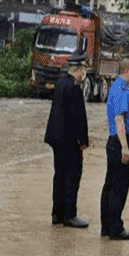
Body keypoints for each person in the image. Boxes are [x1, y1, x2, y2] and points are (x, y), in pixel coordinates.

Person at [44, 51, 91, 228]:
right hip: (69, 141)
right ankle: (70, 215)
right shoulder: (74, 88)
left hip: (56, 140)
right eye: (84, 69)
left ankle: (57, 214)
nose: (84, 73)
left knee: (60, 176)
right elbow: (77, 117)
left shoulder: (61, 84)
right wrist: (82, 140)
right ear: (78, 69)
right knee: (72, 176)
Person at [101, 58, 129, 240]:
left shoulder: (115, 87)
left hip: (114, 141)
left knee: (110, 185)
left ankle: (107, 226)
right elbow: (119, 119)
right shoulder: (122, 89)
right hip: (120, 141)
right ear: (128, 70)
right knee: (119, 186)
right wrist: (125, 147)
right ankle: (116, 228)